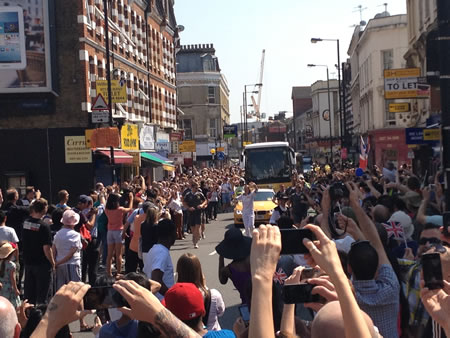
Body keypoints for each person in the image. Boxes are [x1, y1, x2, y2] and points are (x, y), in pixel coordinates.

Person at [176, 253, 225, 331]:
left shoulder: (176, 297)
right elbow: (221, 311)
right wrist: (204, 287)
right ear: (199, 271)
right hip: (212, 332)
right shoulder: (213, 295)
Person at [22, 198, 55, 305]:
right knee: (42, 295)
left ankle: (28, 317)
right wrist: (52, 262)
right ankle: (41, 318)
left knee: (29, 295)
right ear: (44, 209)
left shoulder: (26, 223)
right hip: (42, 264)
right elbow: (46, 248)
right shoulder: (44, 226)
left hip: (28, 262)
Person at [143, 219, 176, 300]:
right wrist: (171, 297)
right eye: (175, 232)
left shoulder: (154, 249)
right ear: (170, 235)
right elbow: (156, 279)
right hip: (162, 301)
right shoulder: (161, 252)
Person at [217, 228, 252, 305]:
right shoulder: (252, 260)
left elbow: (222, 281)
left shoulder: (228, 270)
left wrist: (221, 258)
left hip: (246, 303)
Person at [52, 209, 83, 290]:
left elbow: (53, 250)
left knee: (60, 290)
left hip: (59, 265)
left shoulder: (57, 234)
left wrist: (55, 262)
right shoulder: (75, 235)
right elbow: (71, 253)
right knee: (74, 290)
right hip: (72, 263)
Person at [105, 192, 133, 276]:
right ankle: (118, 273)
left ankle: (108, 272)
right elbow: (130, 208)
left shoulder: (107, 210)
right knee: (118, 254)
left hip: (110, 231)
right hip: (118, 231)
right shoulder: (120, 209)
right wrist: (131, 199)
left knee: (109, 254)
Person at [184, 182, 207, 249]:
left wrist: (202, 205)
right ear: (192, 187)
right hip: (191, 213)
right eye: (196, 188)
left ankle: (195, 243)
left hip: (198, 212)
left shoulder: (200, 194)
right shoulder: (188, 195)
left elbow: (205, 200)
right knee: (193, 228)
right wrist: (188, 208)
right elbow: (184, 203)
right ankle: (194, 236)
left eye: (198, 188)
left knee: (197, 226)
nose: (197, 189)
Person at [0, 242, 20, 308]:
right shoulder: (11, 265)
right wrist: (16, 289)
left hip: (1, 287)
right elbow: (12, 279)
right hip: (9, 287)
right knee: (11, 305)